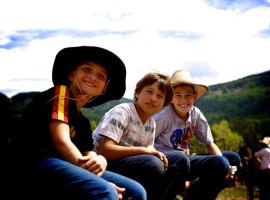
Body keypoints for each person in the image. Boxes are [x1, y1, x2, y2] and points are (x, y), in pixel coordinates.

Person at [4, 46, 146, 200]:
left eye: (101, 76)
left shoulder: (82, 121)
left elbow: (88, 151)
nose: (92, 77)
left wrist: (100, 159)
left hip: (61, 164)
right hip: (31, 162)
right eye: (87, 69)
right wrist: (98, 180)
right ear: (72, 75)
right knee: (105, 191)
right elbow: (62, 142)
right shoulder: (59, 95)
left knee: (136, 192)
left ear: (103, 90)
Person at [92, 72, 190, 200]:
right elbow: (106, 150)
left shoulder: (151, 124)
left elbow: (148, 151)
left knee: (180, 160)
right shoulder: (123, 112)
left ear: (164, 104)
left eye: (160, 96)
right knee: (153, 164)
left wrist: (153, 153)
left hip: (128, 163)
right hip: (104, 163)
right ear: (137, 92)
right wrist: (144, 151)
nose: (153, 98)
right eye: (149, 92)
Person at [153, 70, 242, 200]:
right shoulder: (164, 117)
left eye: (188, 95)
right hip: (170, 162)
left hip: (186, 159)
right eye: (177, 95)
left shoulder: (196, 114)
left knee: (232, 159)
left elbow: (209, 143)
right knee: (220, 163)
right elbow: (145, 140)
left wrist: (228, 168)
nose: (183, 100)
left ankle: (195, 194)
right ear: (171, 97)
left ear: (195, 96)